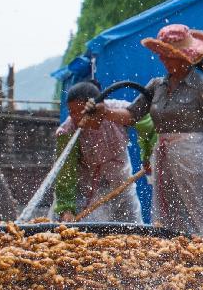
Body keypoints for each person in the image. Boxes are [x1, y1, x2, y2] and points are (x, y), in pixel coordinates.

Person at [86, 24, 203, 236]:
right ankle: (171, 253)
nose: (163, 59)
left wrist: (194, 145)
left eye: (168, 55)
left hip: (193, 156)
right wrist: (104, 110)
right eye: (161, 54)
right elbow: (131, 115)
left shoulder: (200, 86)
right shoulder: (157, 85)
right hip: (164, 154)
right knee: (168, 212)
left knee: (197, 212)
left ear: (183, 57)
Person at [52, 81, 148, 224]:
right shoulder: (67, 131)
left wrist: (148, 154)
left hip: (122, 185)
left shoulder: (118, 110)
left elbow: (148, 123)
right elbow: (66, 174)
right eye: (72, 112)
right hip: (87, 194)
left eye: (80, 112)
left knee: (134, 231)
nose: (76, 118)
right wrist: (67, 209)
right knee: (86, 236)